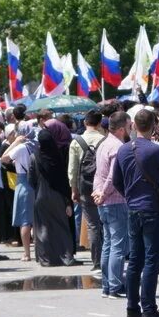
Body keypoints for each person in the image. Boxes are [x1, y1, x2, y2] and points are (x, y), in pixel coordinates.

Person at [112, 109, 159, 317]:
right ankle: (149, 308)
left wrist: (130, 196)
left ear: (133, 126)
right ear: (154, 126)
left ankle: (132, 308)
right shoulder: (156, 150)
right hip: (152, 208)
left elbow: (117, 181)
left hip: (133, 208)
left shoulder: (123, 150)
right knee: (152, 260)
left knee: (135, 261)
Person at [92, 111, 131, 299]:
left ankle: (108, 286)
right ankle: (115, 286)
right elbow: (113, 176)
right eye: (129, 126)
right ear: (122, 128)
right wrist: (103, 193)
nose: (131, 129)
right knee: (117, 245)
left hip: (104, 200)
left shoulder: (103, 143)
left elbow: (99, 173)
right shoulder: (117, 146)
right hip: (114, 200)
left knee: (108, 243)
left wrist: (98, 192)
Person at [30, 119, 79, 267]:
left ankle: (45, 259)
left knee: (42, 227)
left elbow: (30, 179)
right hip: (58, 196)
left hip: (40, 195)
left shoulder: (34, 157)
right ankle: (66, 256)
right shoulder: (57, 157)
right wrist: (67, 201)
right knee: (61, 226)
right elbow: (63, 180)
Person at [68, 110, 105, 273]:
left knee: (92, 225)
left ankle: (96, 261)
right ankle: (108, 258)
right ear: (99, 124)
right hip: (103, 187)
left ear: (84, 123)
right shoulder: (105, 140)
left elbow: (73, 169)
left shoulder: (77, 142)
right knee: (106, 224)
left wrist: (73, 189)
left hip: (84, 186)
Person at [2, 123, 36, 262]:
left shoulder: (21, 148)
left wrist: (15, 143)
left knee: (25, 220)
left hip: (23, 182)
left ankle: (27, 253)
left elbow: (4, 158)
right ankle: (40, 250)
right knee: (36, 219)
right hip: (36, 183)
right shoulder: (36, 145)